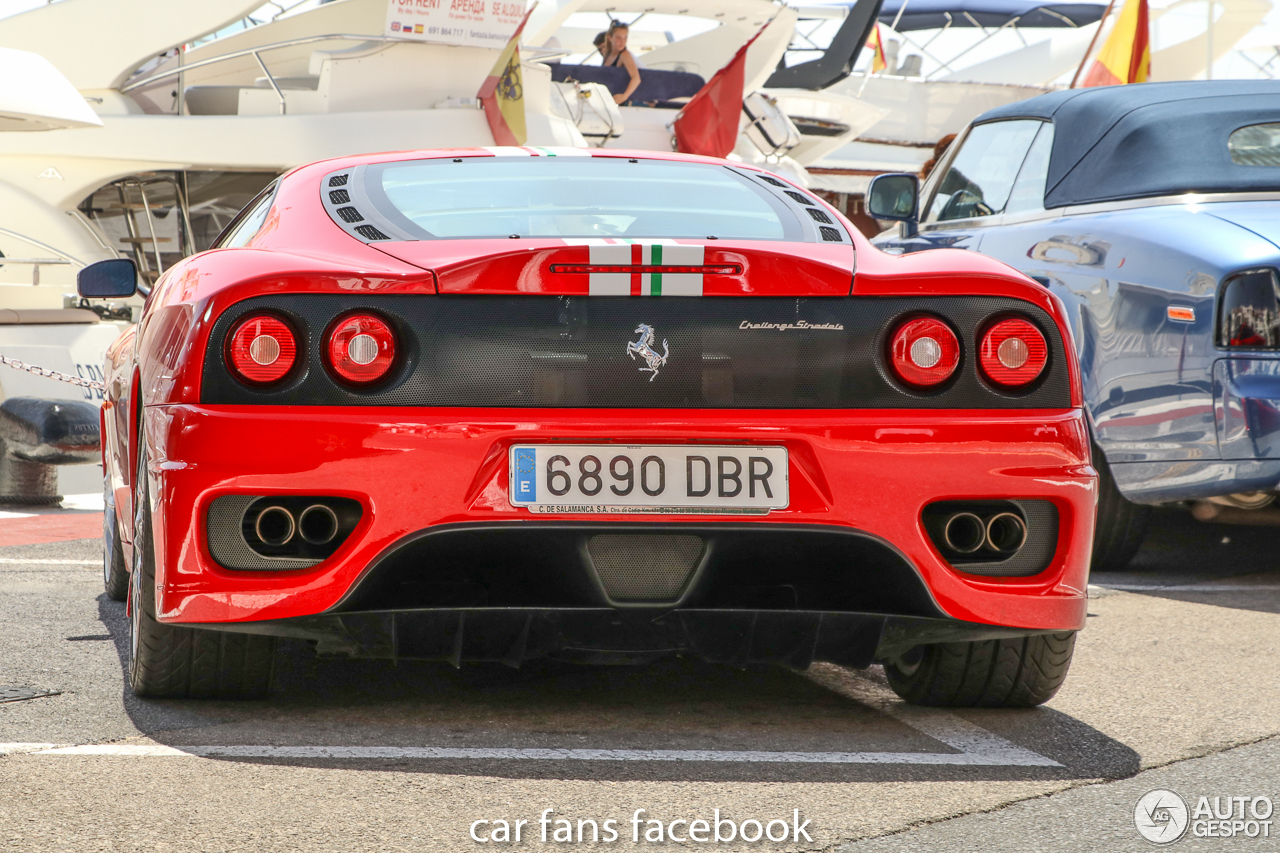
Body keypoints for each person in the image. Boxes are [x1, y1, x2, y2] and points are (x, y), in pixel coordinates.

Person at [599, 21, 641, 105]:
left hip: (619, 102)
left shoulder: (624, 55)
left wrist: (624, 96)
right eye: (619, 37)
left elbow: (636, 78)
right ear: (610, 38)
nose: (622, 41)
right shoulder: (608, 55)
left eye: (625, 38)